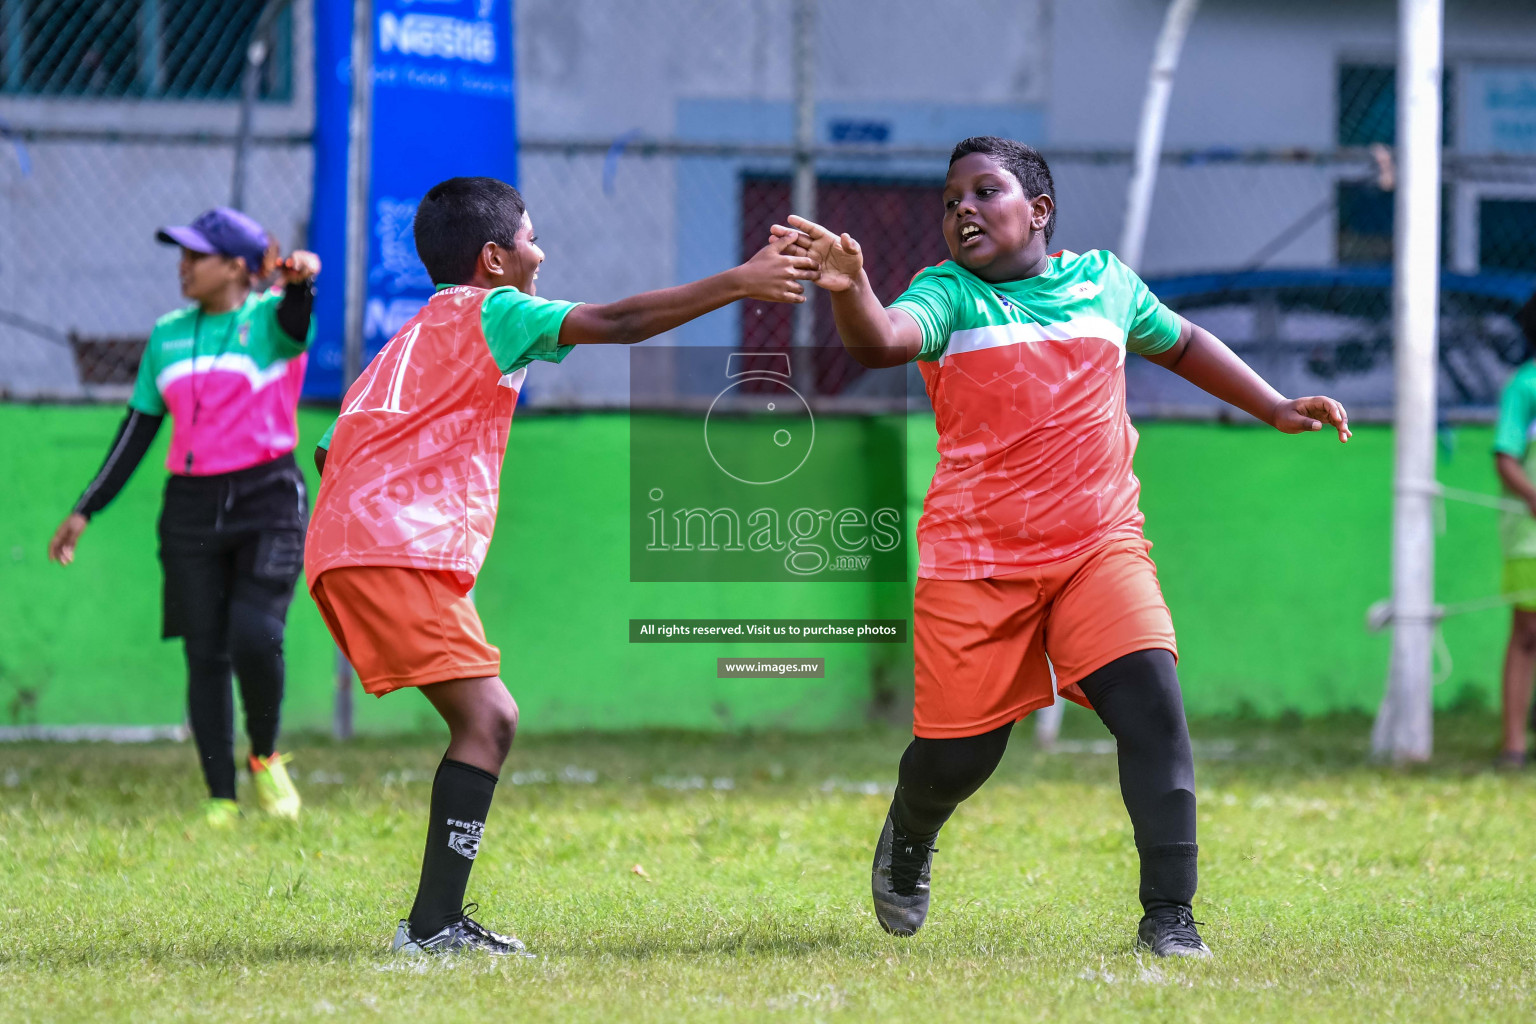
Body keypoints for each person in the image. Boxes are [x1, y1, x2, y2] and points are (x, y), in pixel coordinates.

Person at [782, 136, 1351, 958]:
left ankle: (1169, 917)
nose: (962, 210)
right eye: (950, 202)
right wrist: (851, 288)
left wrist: (1272, 405)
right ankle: (912, 828)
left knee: (1153, 704)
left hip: (1098, 545)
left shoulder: (1105, 284)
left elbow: (1182, 340)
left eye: (984, 192)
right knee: (959, 757)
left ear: (1038, 211)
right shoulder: (948, 295)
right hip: (978, 562)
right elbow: (882, 341)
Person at [305, 176, 815, 956]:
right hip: (391, 548)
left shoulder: (413, 337)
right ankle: (433, 927)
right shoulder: (495, 311)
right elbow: (620, 320)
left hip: (357, 546)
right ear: (494, 259)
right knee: (489, 719)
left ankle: (436, 922)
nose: (542, 253)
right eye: (532, 238)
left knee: (483, 719)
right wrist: (740, 281)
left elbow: (333, 445)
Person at [48, 207, 320, 827]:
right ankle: (220, 797)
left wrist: (303, 280)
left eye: (196, 256)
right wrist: (85, 509)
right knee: (205, 652)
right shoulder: (167, 335)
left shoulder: (271, 321)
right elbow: (137, 431)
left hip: (268, 499)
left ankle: (266, 755)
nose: (184, 267)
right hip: (191, 507)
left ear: (235, 267)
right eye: (182, 255)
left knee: (256, 634)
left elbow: (298, 317)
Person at [1492, 292, 1536, 767]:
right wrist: (1532, 496)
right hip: (1530, 537)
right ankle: (1514, 745)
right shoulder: (1525, 386)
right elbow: (1505, 459)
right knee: (1528, 631)